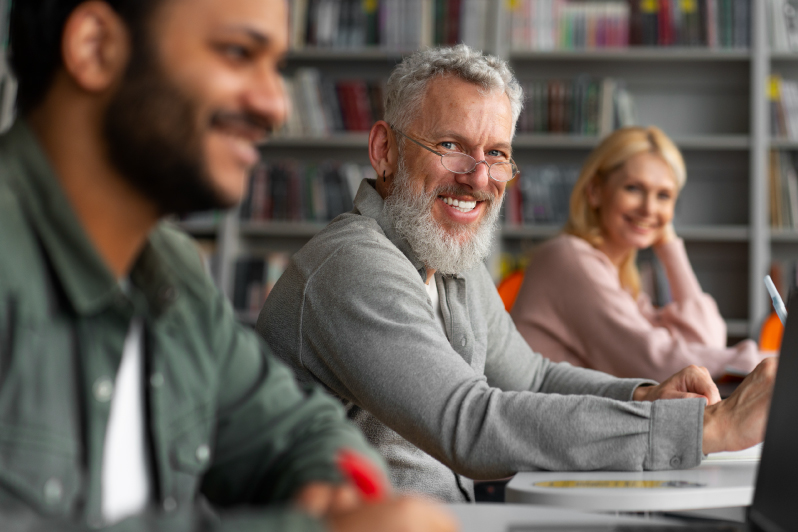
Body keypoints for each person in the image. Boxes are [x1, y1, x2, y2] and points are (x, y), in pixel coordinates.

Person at [0, 0, 457, 531]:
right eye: (238, 53)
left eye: (276, 67)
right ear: (95, 48)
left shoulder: (167, 273)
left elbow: (302, 430)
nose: (274, 105)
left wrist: (335, 493)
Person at [257, 45, 776, 503]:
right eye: (451, 146)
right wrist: (705, 427)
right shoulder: (351, 266)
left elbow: (534, 377)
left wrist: (643, 396)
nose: (478, 177)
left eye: (497, 154)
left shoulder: (449, 259)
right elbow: (470, 425)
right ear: (385, 151)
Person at [510, 127, 765, 382]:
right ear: (595, 191)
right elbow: (656, 364)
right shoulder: (568, 259)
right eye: (633, 188)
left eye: (663, 195)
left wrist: (669, 245)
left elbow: (707, 342)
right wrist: (760, 362)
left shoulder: (621, 277)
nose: (649, 208)